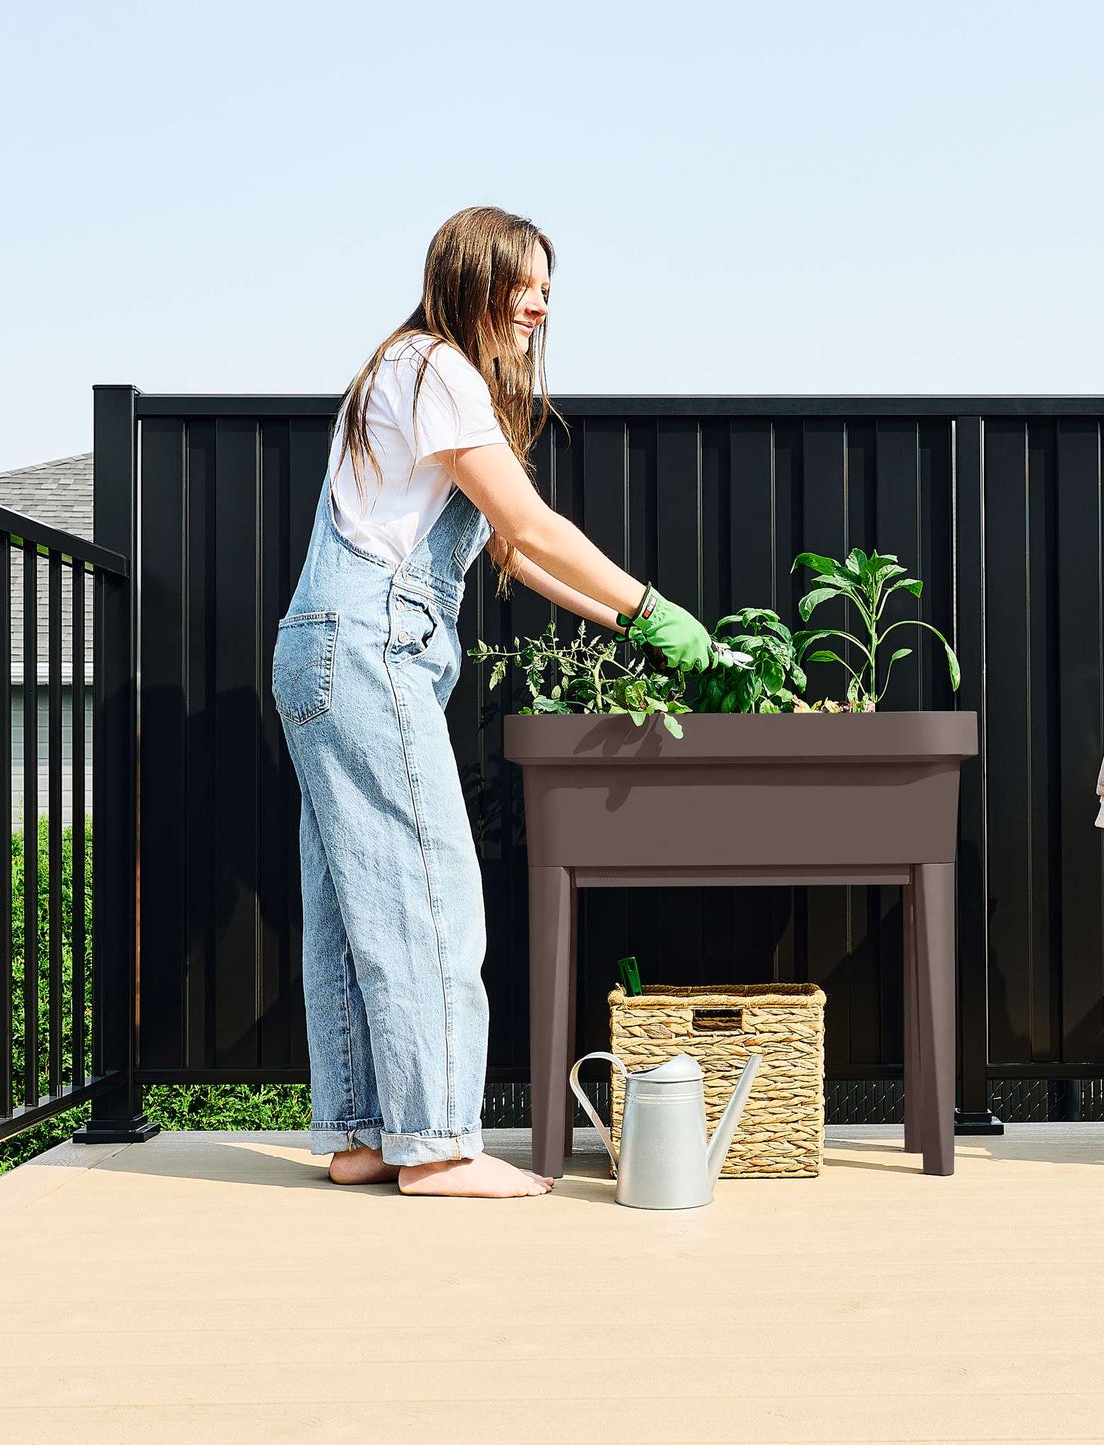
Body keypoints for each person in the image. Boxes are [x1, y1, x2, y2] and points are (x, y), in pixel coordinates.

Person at [271, 206, 713, 1198]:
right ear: (475, 275)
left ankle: (364, 1136)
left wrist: (632, 626)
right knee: (429, 887)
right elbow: (530, 520)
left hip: (324, 648)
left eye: (548, 288)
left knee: (353, 900)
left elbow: (514, 553)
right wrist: (653, 604)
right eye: (526, 281)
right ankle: (433, 1143)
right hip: (369, 646)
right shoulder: (434, 368)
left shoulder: (412, 374)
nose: (540, 304)